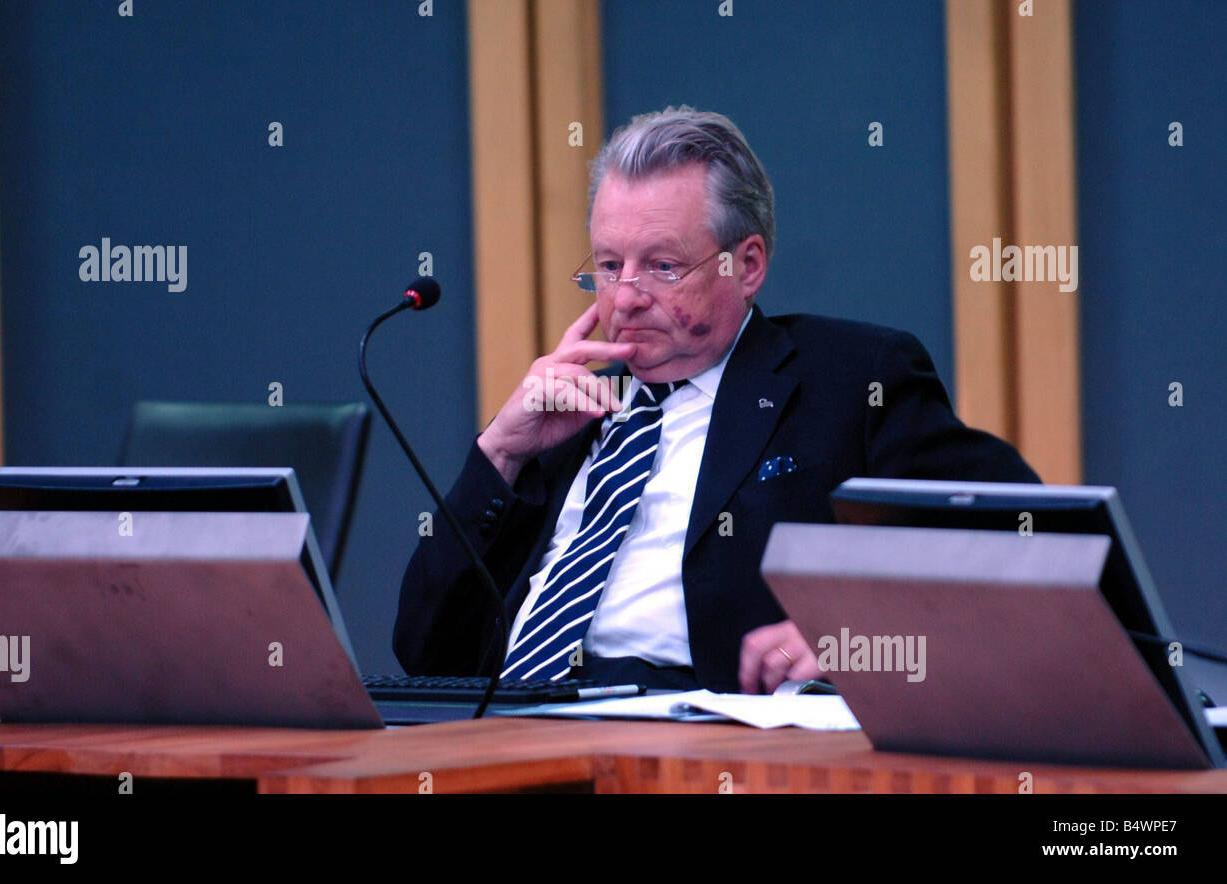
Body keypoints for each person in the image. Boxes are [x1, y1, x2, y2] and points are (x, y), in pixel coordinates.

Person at [394, 106, 1039, 693]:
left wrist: (856, 640)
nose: (624, 297)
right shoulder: (567, 418)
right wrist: (499, 455)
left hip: (698, 740)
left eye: (662, 266)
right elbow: (426, 651)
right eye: (610, 265)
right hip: (506, 732)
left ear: (747, 264)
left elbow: (1019, 538)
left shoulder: (851, 380)